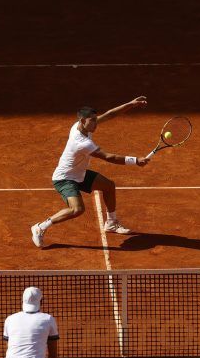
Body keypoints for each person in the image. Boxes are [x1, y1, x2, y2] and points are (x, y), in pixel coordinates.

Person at [31, 96, 150, 247]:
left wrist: (131, 104)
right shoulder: (81, 143)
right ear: (82, 121)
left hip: (79, 173)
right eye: (92, 120)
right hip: (65, 178)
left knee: (109, 186)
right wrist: (135, 160)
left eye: (95, 119)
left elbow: (109, 114)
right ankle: (40, 227)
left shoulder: (81, 125)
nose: (96, 123)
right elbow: (109, 157)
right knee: (77, 209)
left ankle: (111, 223)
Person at [2, 287, 59, 358]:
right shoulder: (48, 319)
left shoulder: (10, 319)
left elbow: (9, 348)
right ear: (41, 301)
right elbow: (53, 355)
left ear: (22, 301)